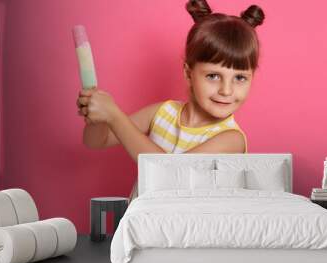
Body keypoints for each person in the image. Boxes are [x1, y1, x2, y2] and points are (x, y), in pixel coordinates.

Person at [76, 0, 265, 203]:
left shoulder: (231, 139)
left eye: (240, 78)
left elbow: (167, 174)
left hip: (190, 234)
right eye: (213, 76)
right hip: (142, 228)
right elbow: (96, 141)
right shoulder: (162, 113)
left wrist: (114, 115)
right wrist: (96, 114)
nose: (226, 90)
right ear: (188, 72)